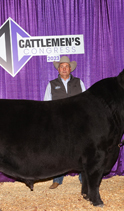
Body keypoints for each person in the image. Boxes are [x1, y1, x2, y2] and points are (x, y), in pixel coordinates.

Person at [44, 55, 85, 189]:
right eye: (61, 66)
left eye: (66, 66)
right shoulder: (52, 84)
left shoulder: (79, 82)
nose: (64, 69)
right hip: (59, 123)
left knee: (81, 149)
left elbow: (86, 103)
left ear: (70, 69)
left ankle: (83, 177)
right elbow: (46, 105)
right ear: (58, 69)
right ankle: (57, 179)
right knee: (58, 150)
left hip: (77, 122)